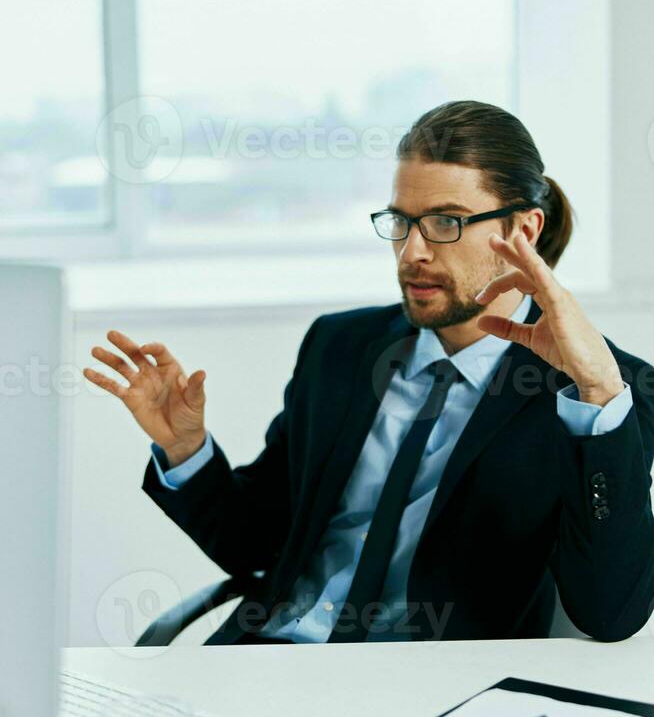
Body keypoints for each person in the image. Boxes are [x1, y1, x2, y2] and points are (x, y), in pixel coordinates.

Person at [84, 100, 654, 645]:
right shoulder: (341, 346)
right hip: (273, 658)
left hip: (440, 693)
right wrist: (187, 450)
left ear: (523, 231)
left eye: (446, 223)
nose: (412, 253)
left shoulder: (603, 390)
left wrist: (599, 396)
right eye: (401, 222)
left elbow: (608, 613)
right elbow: (256, 542)